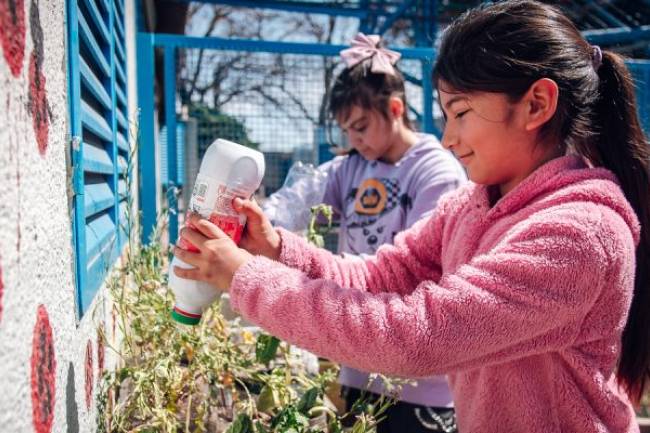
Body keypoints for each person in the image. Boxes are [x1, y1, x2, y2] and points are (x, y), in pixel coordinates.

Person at [173, 1, 650, 432]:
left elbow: (415, 337)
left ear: (537, 105)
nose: (448, 138)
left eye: (460, 113)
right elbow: (384, 274)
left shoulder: (579, 235)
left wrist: (246, 279)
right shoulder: (472, 204)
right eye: (445, 116)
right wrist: (275, 249)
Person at [261, 33, 466, 433]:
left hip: (419, 379)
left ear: (394, 108)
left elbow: (418, 272)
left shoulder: (436, 172)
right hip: (358, 362)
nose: (354, 140)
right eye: (346, 131)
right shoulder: (351, 168)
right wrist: (258, 220)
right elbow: (295, 202)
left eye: (361, 126)